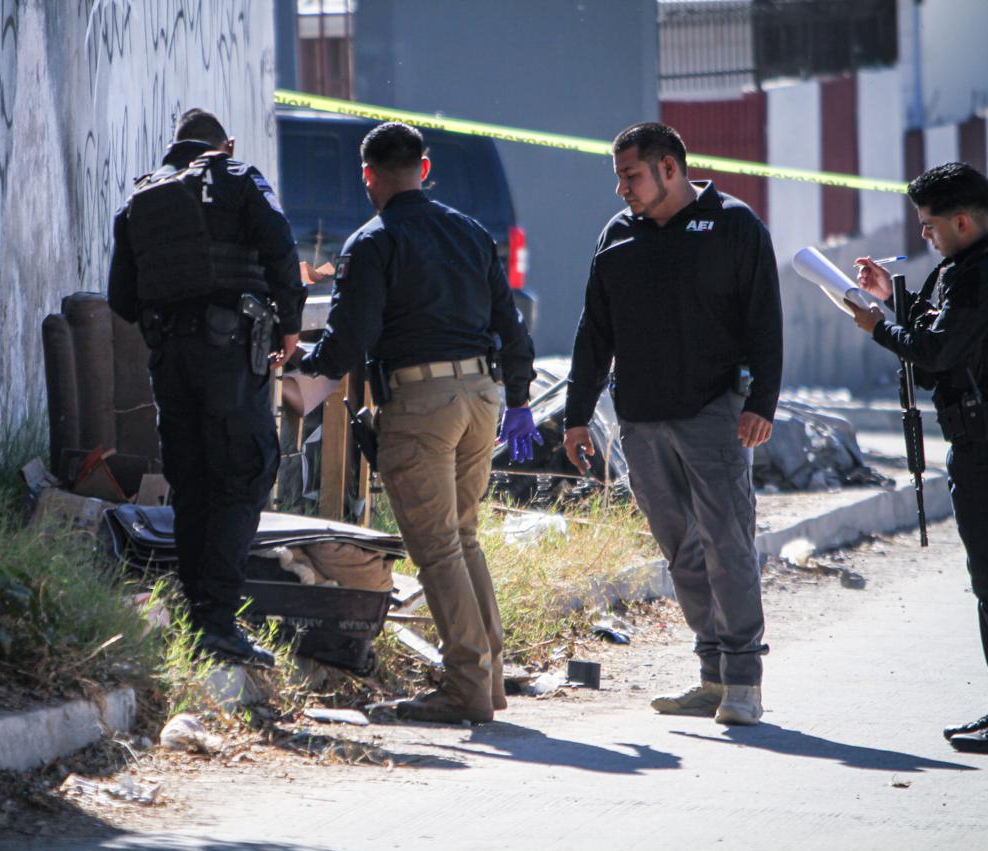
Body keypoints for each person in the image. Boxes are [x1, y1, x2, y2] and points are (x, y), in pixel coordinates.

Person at [299, 121, 539, 723]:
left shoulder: (372, 242)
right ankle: (489, 682)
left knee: (436, 550)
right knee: (463, 537)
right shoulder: (471, 232)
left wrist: (300, 362)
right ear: (425, 169)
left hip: (420, 404)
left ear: (367, 175)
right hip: (482, 397)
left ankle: (466, 690)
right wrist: (519, 398)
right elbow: (511, 325)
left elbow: (348, 341)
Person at [562, 122, 782, 726]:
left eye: (630, 176)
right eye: (618, 178)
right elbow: (594, 331)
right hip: (640, 417)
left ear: (668, 167)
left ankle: (743, 681)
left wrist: (763, 400)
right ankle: (711, 674)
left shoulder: (734, 225)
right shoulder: (618, 235)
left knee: (726, 541)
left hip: (715, 413)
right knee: (681, 548)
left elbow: (765, 318)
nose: (622, 189)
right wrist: (577, 415)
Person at [108, 108, 304, 666]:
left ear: (174, 146)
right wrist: (289, 325)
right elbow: (280, 245)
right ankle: (217, 622)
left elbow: (122, 299)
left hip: (170, 360)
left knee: (191, 483)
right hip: (230, 354)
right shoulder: (237, 177)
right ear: (227, 143)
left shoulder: (141, 199)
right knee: (243, 474)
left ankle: (197, 619)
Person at [847, 162, 988, 752]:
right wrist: (891, 301)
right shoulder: (965, 270)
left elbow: (934, 353)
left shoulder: (974, 274)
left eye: (929, 227)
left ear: (961, 220)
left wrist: (877, 325)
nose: (924, 238)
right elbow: (948, 338)